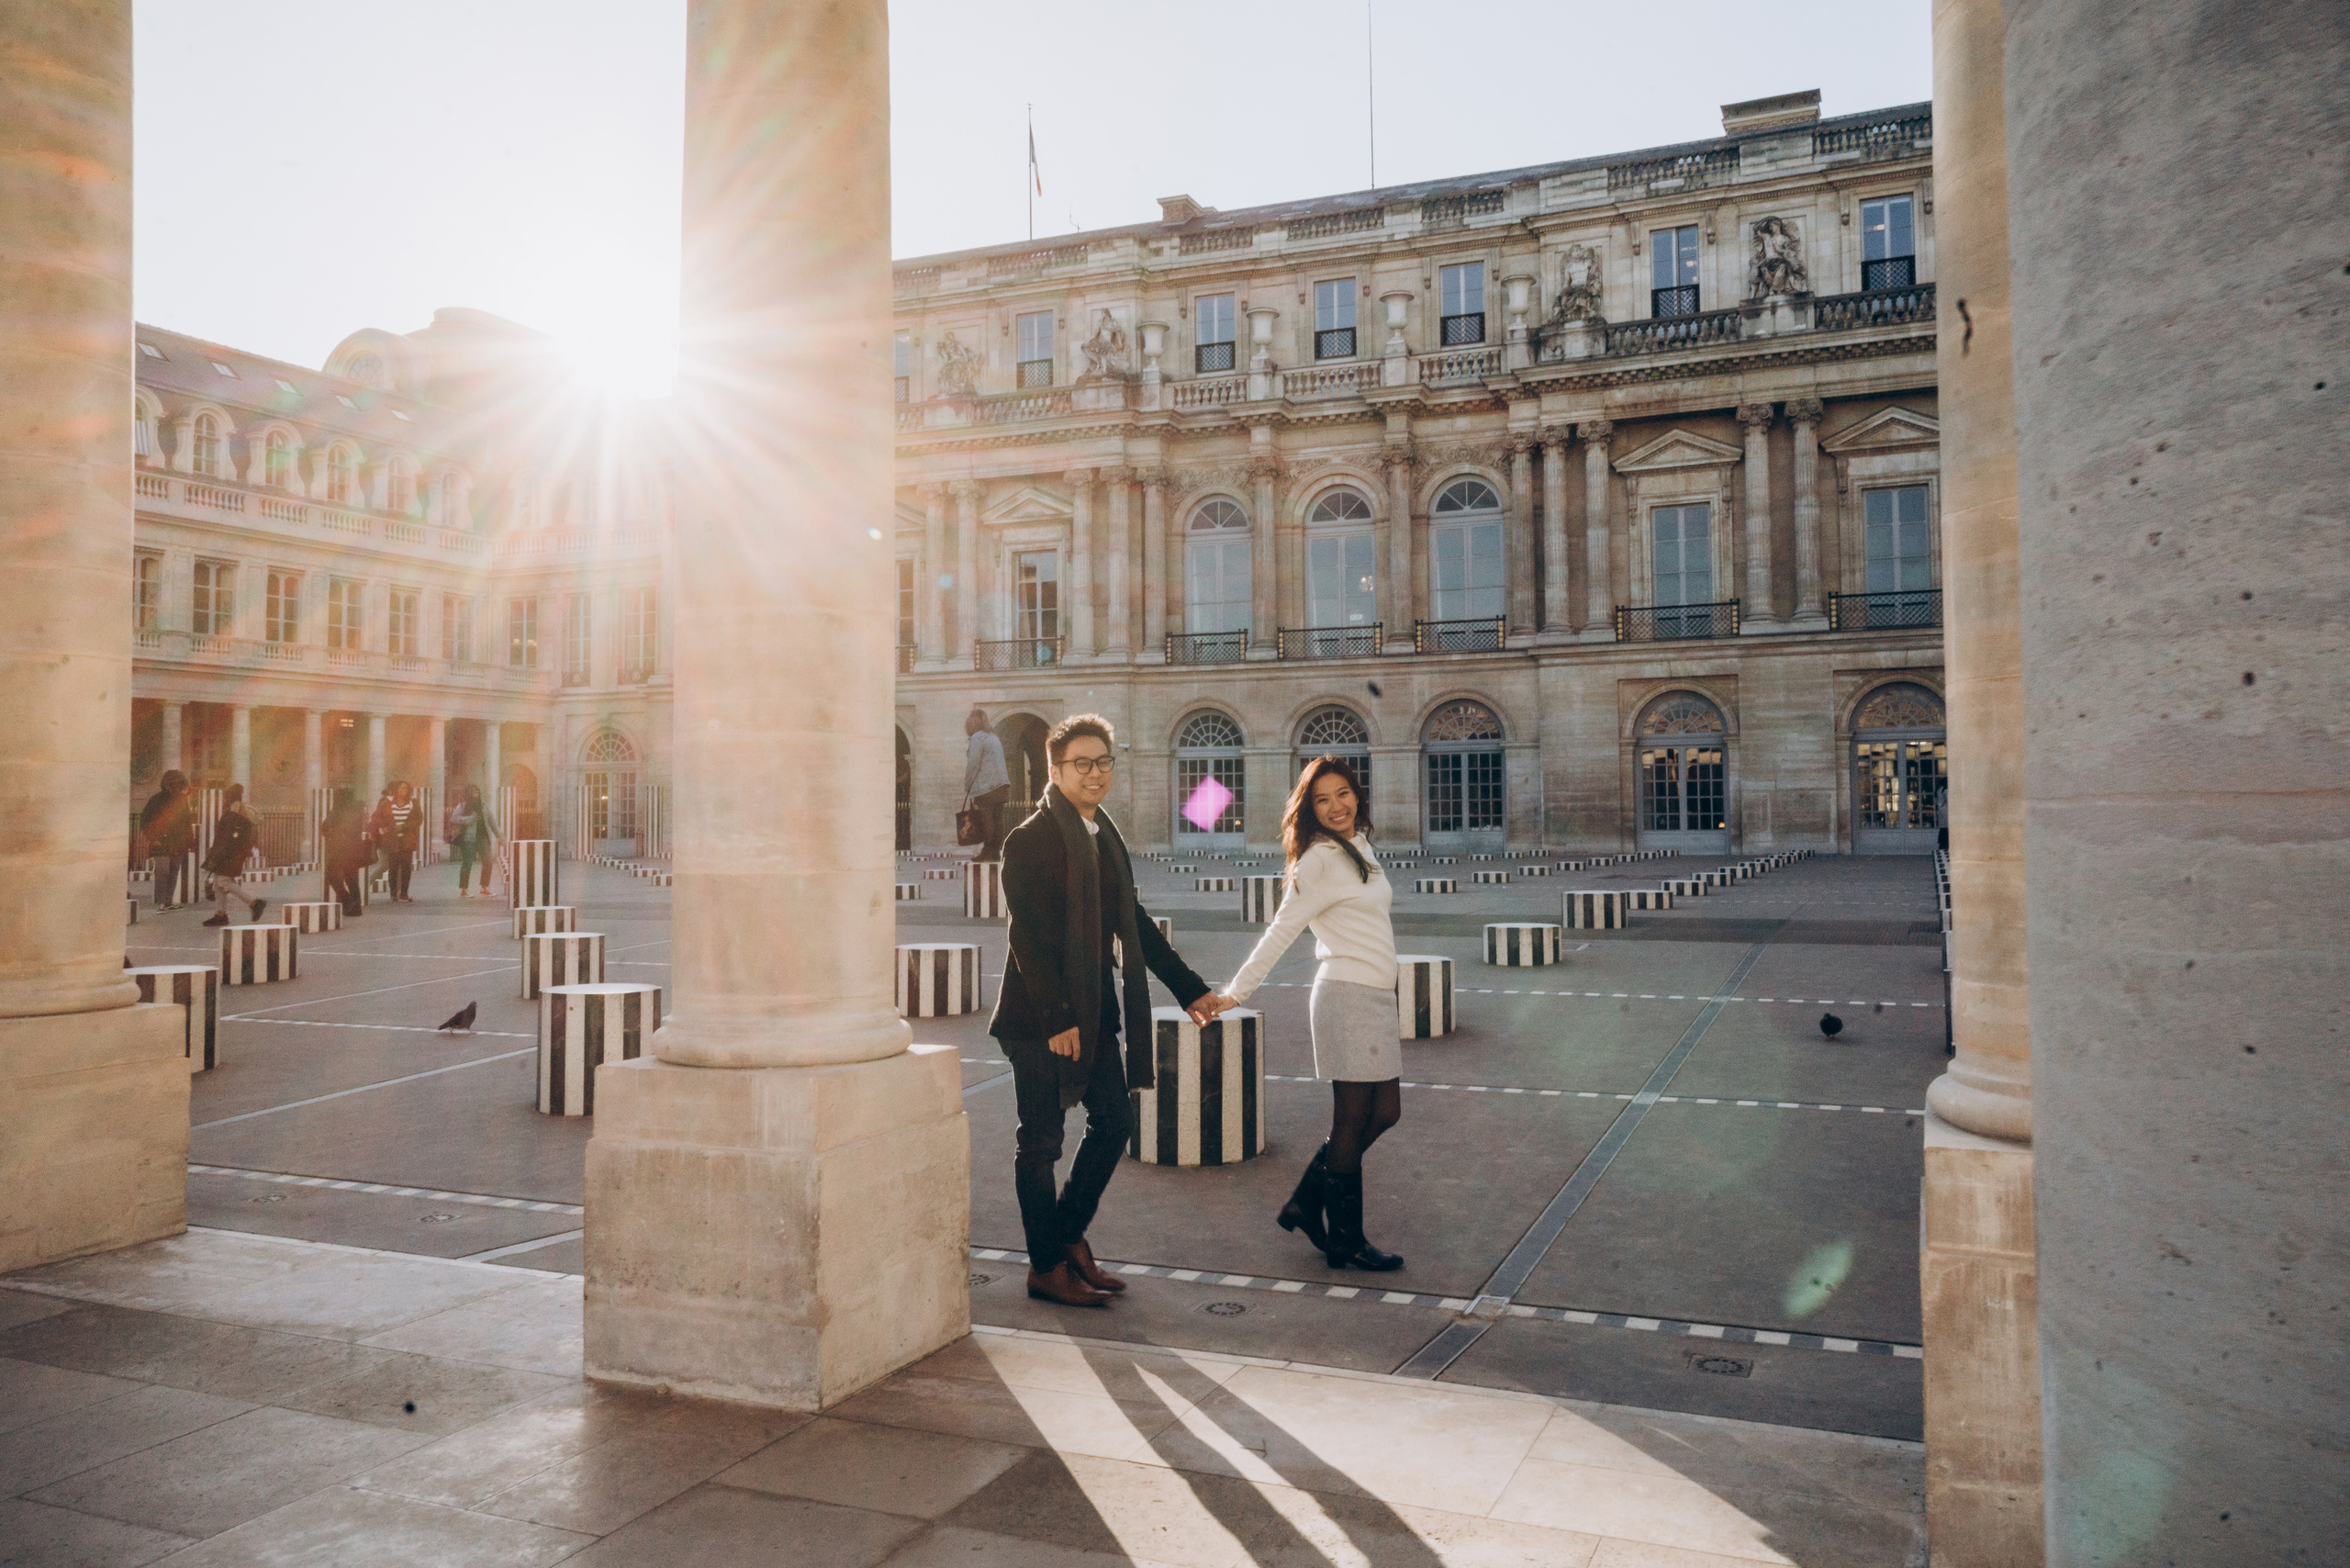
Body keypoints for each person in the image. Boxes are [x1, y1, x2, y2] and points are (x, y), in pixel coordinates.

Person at [990, 713, 1221, 1307]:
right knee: (1040, 1144)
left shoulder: (1103, 837)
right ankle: (1045, 1266)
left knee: (1114, 1123)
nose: (1095, 774)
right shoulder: (1031, 838)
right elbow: (1029, 938)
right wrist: (1059, 1017)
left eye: (1103, 762)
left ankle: (1066, 1237)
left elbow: (1133, 925)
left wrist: (1189, 988)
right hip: (1039, 1019)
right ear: (1056, 770)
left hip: (1095, 1011)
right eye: (1082, 764)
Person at [1207, 756, 1405, 1271]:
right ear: (1310, 808)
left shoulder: (1360, 846)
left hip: (1376, 995)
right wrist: (1237, 992)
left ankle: (1304, 1202)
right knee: (1353, 1118)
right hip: (1345, 995)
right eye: (1323, 799)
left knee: (1385, 1113)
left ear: (1356, 794)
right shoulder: (1317, 860)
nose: (1336, 806)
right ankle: (1347, 1240)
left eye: (1343, 794)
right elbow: (1281, 931)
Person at [198, 783, 267, 927]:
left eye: (225, 797)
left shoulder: (232, 814)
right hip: (234, 852)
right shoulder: (239, 811)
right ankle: (220, 915)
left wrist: (217, 854)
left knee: (224, 881)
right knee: (218, 883)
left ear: (229, 798)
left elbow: (227, 838)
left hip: (229, 853)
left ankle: (254, 903)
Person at [137, 769, 194, 910]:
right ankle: (161, 902)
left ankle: (168, 901)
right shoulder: (156, 799)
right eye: (177, 784)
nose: (179, 787)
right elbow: (145, 820)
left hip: (178, 843)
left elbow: (187, 822)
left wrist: (190, 842)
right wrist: (153, 838)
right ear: (169, 784)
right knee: (163, 872)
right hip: (162, 842)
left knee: (173, 872)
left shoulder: (182, 800)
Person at [963, 707, 1013, 861]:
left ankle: (987, 851)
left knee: (986, 819)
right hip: (1001, 785)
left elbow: (973, 764)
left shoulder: (977, 738)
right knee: (998, 819)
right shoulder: (993, 737)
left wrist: (967, 785)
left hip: (986, 786)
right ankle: (996, 851)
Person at [370, 780, 422, 902]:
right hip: (392, 839)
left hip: (407, 839)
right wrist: (384, 826)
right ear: (396, 789)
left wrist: (404, 827)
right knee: (393, 866)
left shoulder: (413, 802)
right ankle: (393, 892)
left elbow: (419, 819)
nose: (404, 790)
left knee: (406, 867)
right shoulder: (387, 802)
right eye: (401, 788)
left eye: (406, 788)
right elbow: (378, 816)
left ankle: (404, 893)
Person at [448, 783, 500, 896]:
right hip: (468, 838)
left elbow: (492, 822)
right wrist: (469, 819)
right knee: (468, 862)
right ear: (468, 793)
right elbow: (454, 818)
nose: (475, 794)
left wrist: (500, 836)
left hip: (483, 837)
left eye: (477, 791)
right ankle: (464, 890)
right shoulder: (462, 806)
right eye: (472, 792)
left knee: (488, 861)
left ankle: (485, 887)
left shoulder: (483, 805)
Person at [321, 788, 367, 916]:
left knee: (331, 877)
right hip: (354, 850)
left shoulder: (337, 811)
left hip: (338, 850)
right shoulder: (357, 811)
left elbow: (325, 828)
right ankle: (356, 908)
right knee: (352, 879)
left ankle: (347, 902)